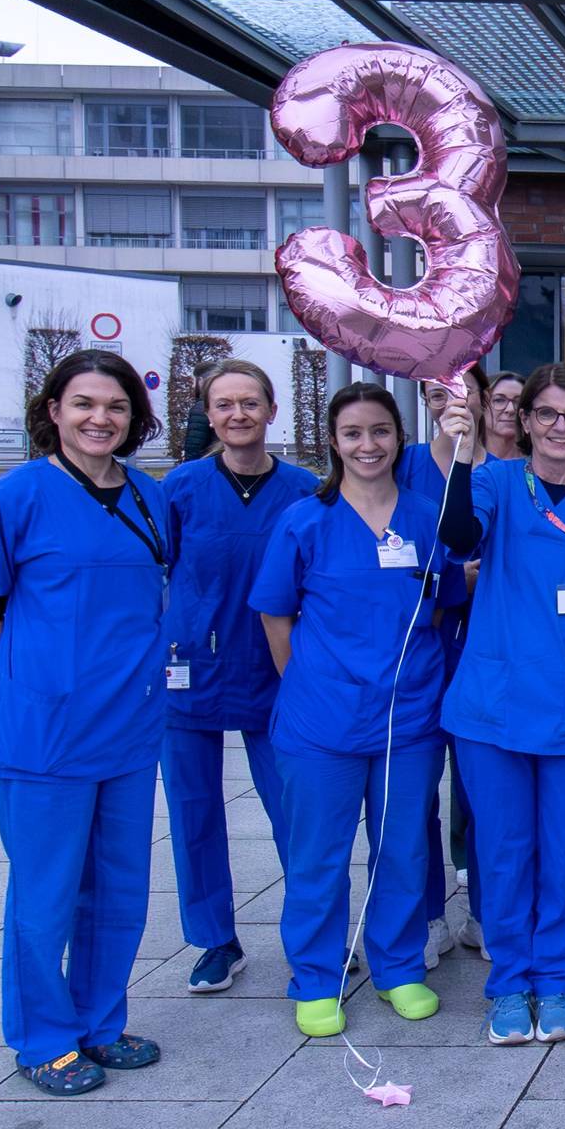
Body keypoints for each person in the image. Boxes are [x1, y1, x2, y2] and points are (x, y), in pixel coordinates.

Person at [0, 351, 170, 1095]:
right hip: (44, 732)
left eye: (114, 407)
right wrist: (29, 689)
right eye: (83, 403)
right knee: (46, 893)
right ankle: (43, 1038)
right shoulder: (15, 496)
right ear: (53, 410)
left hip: (128, 725)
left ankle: (98, 1023)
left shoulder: (150, 496)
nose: (99, 419)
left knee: (119, 887)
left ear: (134, 418)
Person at [437, 365, 565, 1045]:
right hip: (494, 706)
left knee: (561, 853)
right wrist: (463, 451)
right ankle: (507, 985)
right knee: (501, 852)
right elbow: (460, 538)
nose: (561, 426)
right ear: (523, 420)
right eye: (547, 413)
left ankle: (556, 980)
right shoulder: (496, 483)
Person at [251, 383, 463, 1040]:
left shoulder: (427, 516)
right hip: (321, 725)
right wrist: (314, 687)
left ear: (400, 437)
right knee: (318, 855)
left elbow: (445, 602)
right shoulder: (304, 521)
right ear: (333, 442)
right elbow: (275, 614)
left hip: (409, 719)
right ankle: (315, 977)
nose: (367, 444)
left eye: (379, 431)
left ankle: (398, 967)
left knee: (402, 850)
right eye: (352, 433)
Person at [161, 359, 317, 994]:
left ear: (271, 411)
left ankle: (312, 933)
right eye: (223, 405)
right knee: (193, 809)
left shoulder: (305, 490)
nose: (237, 415)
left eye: (250, 403)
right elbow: (159, 568)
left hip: (272, 667)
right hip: (189, 666)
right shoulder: (180, 488)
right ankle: (215, 940)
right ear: (209, 414)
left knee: (294, 808)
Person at [397, 365, 491, 965]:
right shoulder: (404, 466)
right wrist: (458, 580)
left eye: (462, 392)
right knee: (417, 796)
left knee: (487, 793)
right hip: (428, 646)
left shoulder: (505, 469)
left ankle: (487, 910)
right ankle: (428, 913)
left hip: (491, 649)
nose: (450, 403)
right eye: (437, 395)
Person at [180, 360, 219, 460]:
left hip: (204, 464)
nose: (193, 386)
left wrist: (188, 467)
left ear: (201, 381)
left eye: (193, 381)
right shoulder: (222, 405)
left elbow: (194, 448)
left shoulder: (201, 407)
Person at [482, 372, 523, 462]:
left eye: (518, 402)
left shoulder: (538, 463)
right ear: (482, 406)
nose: (511, 409)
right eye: (499, 400)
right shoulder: (465, 458)